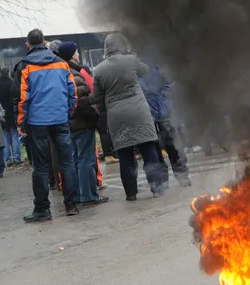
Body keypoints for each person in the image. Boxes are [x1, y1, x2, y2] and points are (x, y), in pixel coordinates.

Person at [94, 33, 170, 198]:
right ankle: (157, 188)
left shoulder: (99, 70)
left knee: (125, 153)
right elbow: (145, 70)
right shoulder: (132, 61)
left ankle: (131, 193)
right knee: (148, 148)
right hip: (139, 112)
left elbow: (98, 97)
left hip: (117, 115)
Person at [17, 30, 79, 222]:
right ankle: (72, 205)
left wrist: (21, 121)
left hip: (37, 122)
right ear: (44, 42)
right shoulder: (62, 63)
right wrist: (67, 111)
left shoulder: (25, 66)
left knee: (41, 167)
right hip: (60, 118)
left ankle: (42, 209)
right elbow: (73, 92)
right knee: (67, 163)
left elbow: (22, 97)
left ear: (28, 44)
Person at [55, 43, 106, 205]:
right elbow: (83, 101)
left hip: (68, 123)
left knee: (75, 160)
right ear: (71, 55)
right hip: (82, 123)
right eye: (76, 52)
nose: (78, 54)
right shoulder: (74, 74)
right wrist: (95, 117)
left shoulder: (59, 72)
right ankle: (89, 194)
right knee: (86, 160)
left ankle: (78, 193)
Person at [139, 64, 193, 184]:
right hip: (148, 112)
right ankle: (162, 181)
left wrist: (163, 96)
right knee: (154, 148)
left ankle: (182, 174)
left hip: (164, 110)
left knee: (173, 143)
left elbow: (170, 81)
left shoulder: (157, 62)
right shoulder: (137, 66)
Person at [0, 70, 22, 167]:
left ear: (0, 74)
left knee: (4, 137)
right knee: (15, 136)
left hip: (0, 114)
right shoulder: (12, 84)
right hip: (12, 113)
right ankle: (17, 157)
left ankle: (7, 159)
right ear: (8, 74)